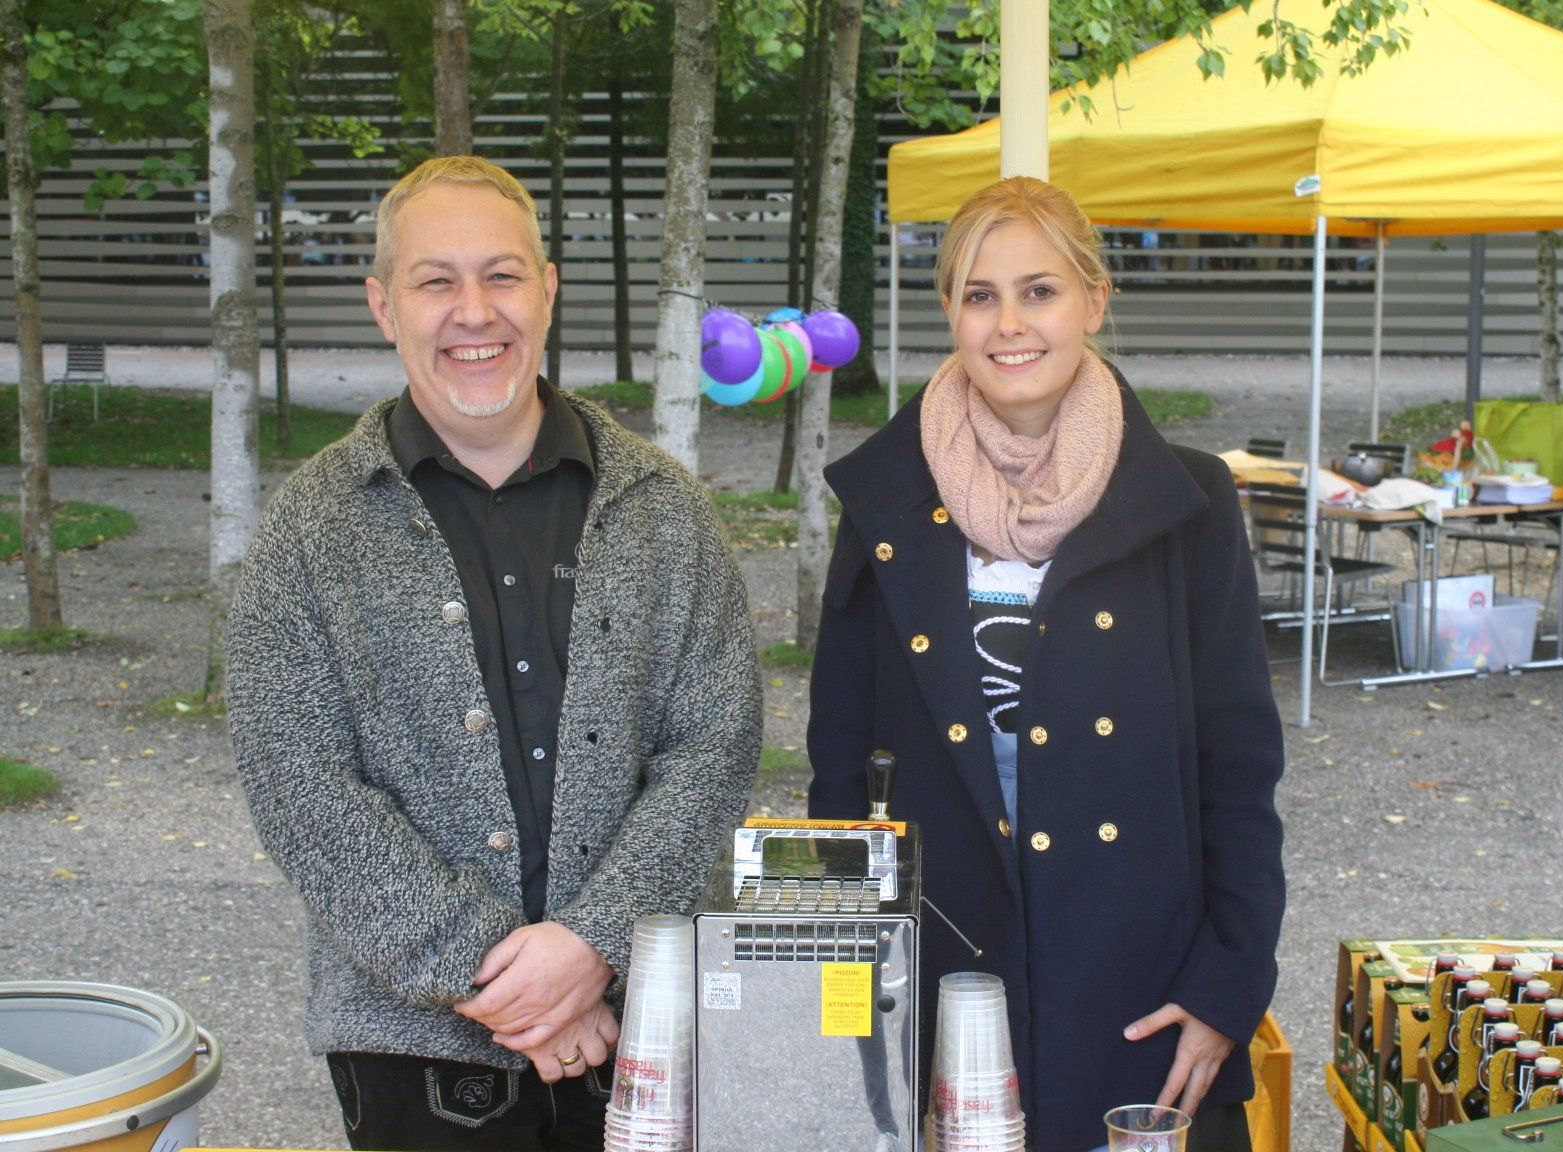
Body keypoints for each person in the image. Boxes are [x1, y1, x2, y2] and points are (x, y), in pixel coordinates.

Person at [226, 156, 761, 1152]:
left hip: (645, 1035)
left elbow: (714, 748)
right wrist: (507, 980)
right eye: (436, 281)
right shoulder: (309, 529)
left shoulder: (665, 510)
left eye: (502, 275)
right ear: (384, 306)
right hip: (410, 1061)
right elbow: (297, 783)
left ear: (547, 290)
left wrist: (596, 946)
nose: (474, 312)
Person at [806, 177, 1284, 1152]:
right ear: (950, 311)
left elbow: (1239, 773)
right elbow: (840, 777)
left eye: (1040, 291)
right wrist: (859, 1020)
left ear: (1094, 301)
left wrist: (1227, 984)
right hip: (944, 992)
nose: (1009, 325)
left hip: (1141, 993)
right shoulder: (886, 502)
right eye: (979, 295)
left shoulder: (1187, 504)